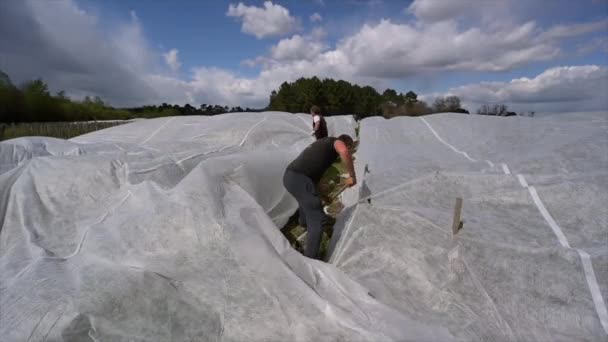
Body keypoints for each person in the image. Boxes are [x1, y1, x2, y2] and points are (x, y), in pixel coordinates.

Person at [283, 134, 357, 259]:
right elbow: (343, 150)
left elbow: (312, 182)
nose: (349, 151)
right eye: (350, 148)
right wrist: (352, 176)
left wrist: (323, 197)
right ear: (347, 144)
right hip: (299, 178)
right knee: (317, 218)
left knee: (307, 201)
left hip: (290, 177)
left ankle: (304, 222)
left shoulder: (323, 145)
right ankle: (310, 259)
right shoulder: (335, 142)